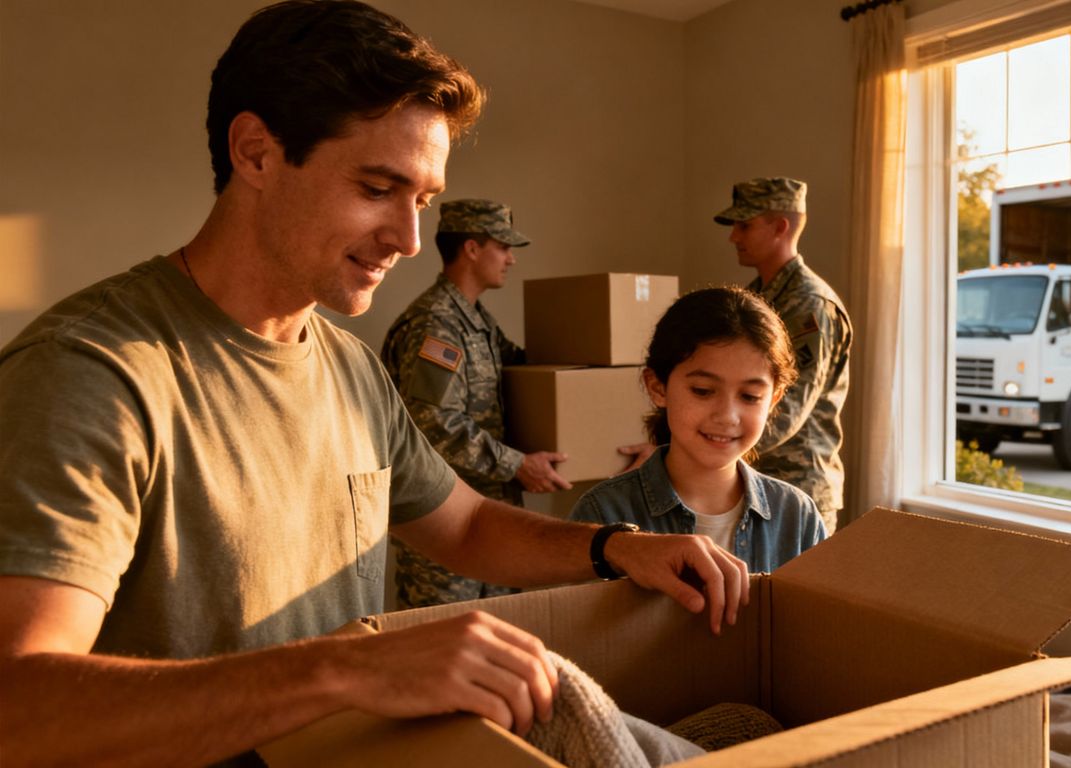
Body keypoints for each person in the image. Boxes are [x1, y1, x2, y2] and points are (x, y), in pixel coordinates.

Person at [0, 3, 747, 765]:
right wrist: (346, 670)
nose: (410, 239)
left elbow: (462, 527)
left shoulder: (349, 365)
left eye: (422, 200)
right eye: (377, 187)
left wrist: (617, 547)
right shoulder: (90, 374)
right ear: (256, 152)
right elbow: (17, 706)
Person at [382, 198, 570, 608]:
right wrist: (516, 464)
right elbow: (433, 423)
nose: (510, 260)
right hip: (443, 527)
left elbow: (524, 367)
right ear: (471, 248)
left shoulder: (478, 321)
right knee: (438, 650)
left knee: (498, 644)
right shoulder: (436, 324)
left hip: (489, 522)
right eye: (502, 247)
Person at [571, 287, 827, 572]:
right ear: (658, 388)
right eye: (703, 391)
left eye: (750, 397)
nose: (727, 417)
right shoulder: (603, 513)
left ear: (773, 399)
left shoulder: (798, 517)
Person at [715, 176, 852, 533]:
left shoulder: (809, 305)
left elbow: (788, 406)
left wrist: (710, 450)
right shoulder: (755, 298)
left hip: (798, 489)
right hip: (756, 479)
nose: (734, 237)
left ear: (780, 227)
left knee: (792, 591)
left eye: (744, 225)